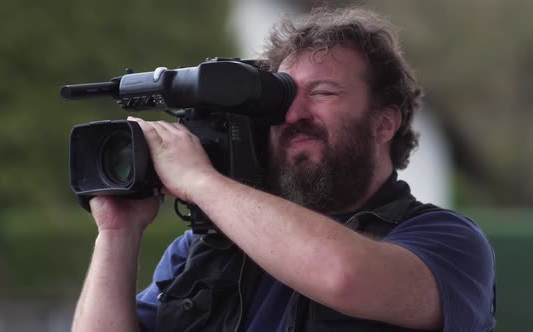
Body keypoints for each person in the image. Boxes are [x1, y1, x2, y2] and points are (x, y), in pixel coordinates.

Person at [71, 6, 496, 332]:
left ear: (384, 122)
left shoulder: (448, 243)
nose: (294, 113)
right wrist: (117, 233)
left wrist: (200, 180)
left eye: (323, 92)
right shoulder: (203, 250)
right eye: (282, 94)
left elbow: (342, 276)